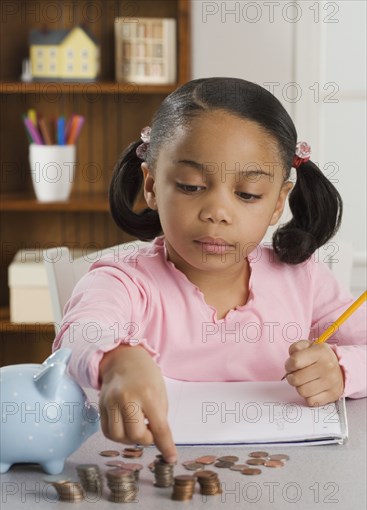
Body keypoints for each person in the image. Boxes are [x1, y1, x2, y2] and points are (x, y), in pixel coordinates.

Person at [53, 78, 366, 463]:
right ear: (151, 185)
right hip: (152, 480)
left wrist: (342, 369)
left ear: (277, 203)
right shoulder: (122, 280)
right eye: (190, 186)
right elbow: (79, 337)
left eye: (248, 194)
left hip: (286, 480)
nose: (217, 211)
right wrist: (116, 360)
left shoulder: (304, 279)